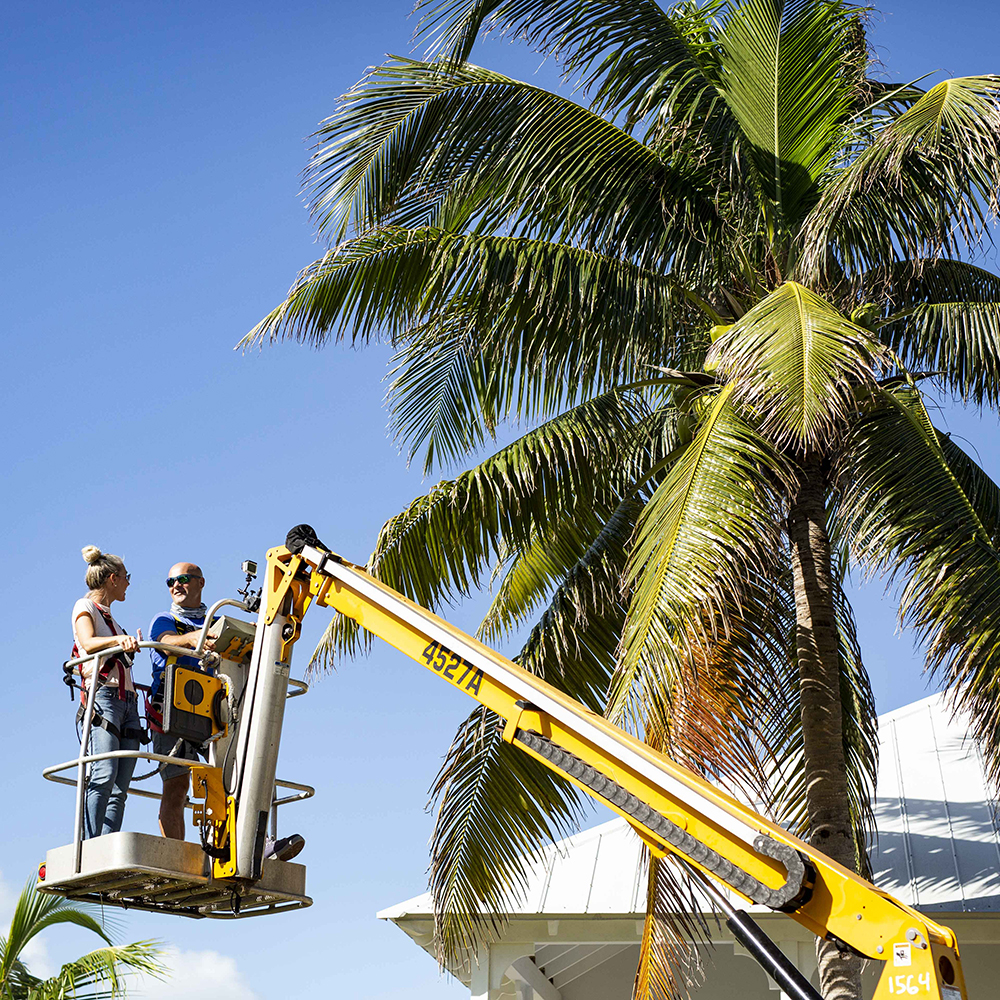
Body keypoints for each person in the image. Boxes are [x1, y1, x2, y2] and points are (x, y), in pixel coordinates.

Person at [148, 563, 305, 861]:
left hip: (213, 710)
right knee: (177, 785)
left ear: (200, 583)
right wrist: (193, 639)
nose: (175, 586)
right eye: (170, 581)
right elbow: (165, 643)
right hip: (173, 709)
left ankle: (247, 845)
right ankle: (176, 856)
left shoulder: (218, 621)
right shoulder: (165, 619)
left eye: (182, 579)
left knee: (232, 778)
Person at [72, 546, 143, 839]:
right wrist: (119, 640)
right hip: (104, 700)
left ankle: (106, 846)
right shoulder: (84, 607)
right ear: (113, 579)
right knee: (103, 775)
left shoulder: (113, 620)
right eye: (126, 577)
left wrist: (125, 641)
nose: (128, 583)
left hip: (128, 702)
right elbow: (88, 643)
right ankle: (90, 847)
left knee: (119, 787)